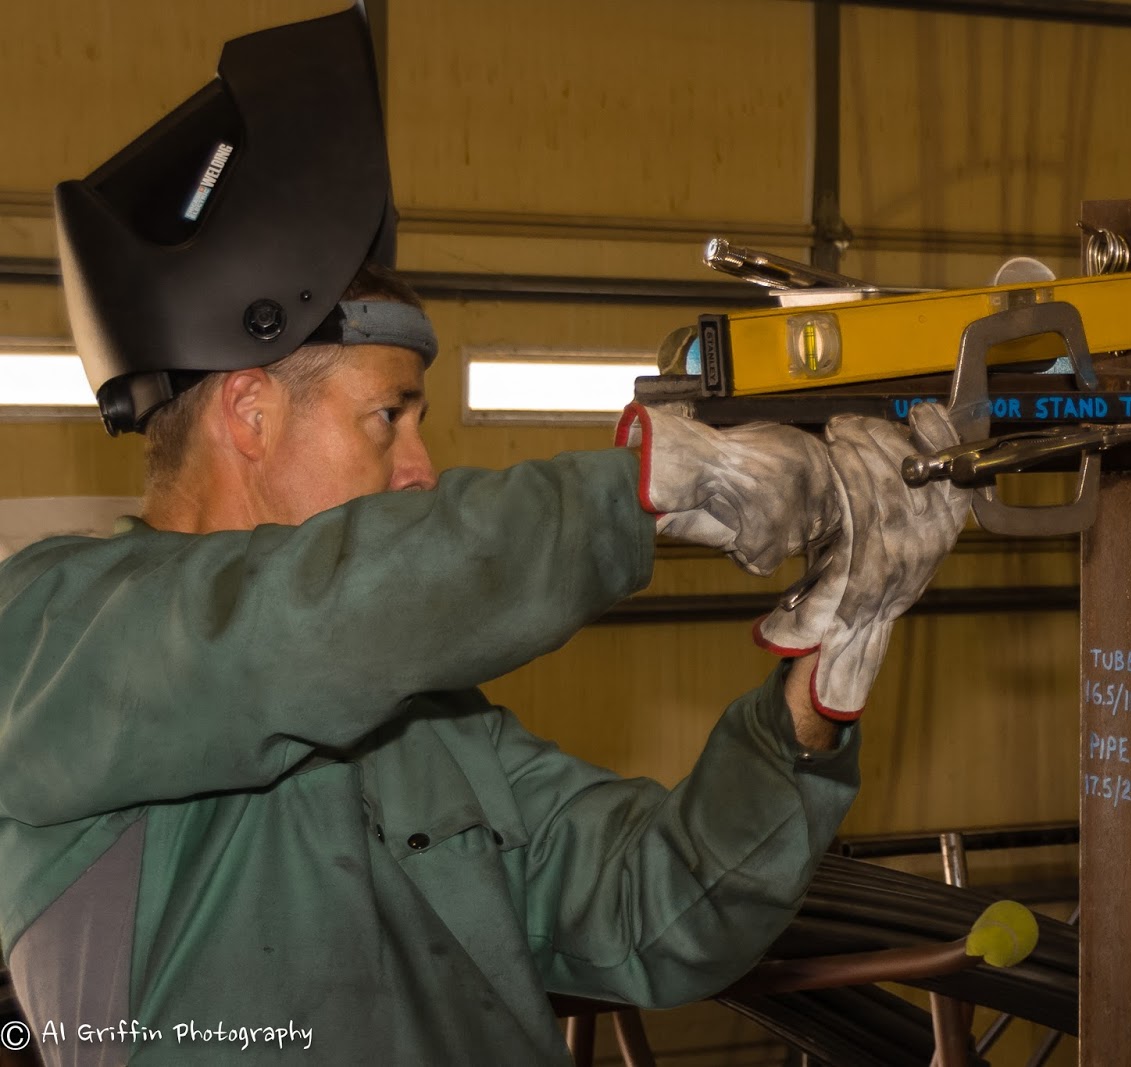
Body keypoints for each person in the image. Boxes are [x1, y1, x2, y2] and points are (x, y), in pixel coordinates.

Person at [0, 8, 967, 1064]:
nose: (421, 467)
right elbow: (306, 623)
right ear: (248, 413)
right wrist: (645, 485)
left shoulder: (431, 730)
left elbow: (662, 913)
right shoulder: (54, 638)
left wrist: (814, 695)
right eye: (389, 416)